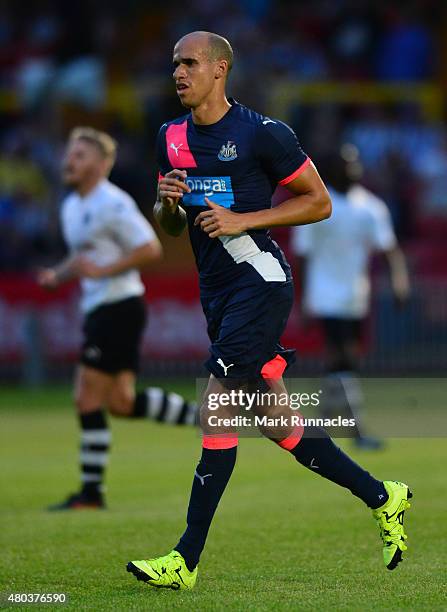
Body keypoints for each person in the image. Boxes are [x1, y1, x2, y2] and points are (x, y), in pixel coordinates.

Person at [126, 32, 412, 590]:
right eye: (174, 65)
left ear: (220, 69)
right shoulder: (170, 137)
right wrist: (165, 204)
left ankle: (185, 559)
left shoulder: (262, 133)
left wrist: (244, 220)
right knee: (278, 423)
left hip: (261, 281)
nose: (178, 73)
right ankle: (384, 496)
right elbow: (172, 226)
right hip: (218, 290)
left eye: (190, 63)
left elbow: (320, 201)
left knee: (217, 407)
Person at [38, 127, 197, 511]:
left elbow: (150, 247)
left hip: (118, 306)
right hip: (105, 308)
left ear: (101, 163)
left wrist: (105, 272)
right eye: (69, 154)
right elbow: (84, 258)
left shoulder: (113, 203)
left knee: (86, 396)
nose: (68, 161)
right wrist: (58, 276)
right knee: (122, 403)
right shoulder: (72, 205)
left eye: (79, 155)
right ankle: (203, 417)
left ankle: (91, 494)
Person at [291, 148, 410, 449]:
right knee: (343, 356)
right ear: (331, 170)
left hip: (356, 295)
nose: (353, 168)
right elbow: (303, 255)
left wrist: (399, 280)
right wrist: (304, 299)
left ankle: (318, 426)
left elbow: (389, 249)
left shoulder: (371, 207)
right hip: (325, 294)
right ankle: (356, 432)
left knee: (344, 360)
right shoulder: (318, 204)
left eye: (355, 162)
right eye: (345, 164)